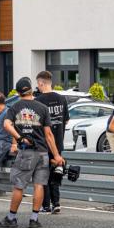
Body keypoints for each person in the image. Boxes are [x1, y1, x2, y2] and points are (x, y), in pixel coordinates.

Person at [0, 77, 65, 228]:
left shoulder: (14, 107)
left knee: (19, 186)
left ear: (19, 92)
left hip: (26, 152)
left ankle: (11, 218)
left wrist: (20, 138)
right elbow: (49, 135)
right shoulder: (42, 108)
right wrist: (57, 155)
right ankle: (34, 219)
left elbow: (6, 124)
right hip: (42, 153)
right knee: (39, 185)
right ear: (31, 90)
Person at [34, 71, 69, 214]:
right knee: (56, 173)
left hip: (44, 143)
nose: (38, 86)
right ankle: (57, 203)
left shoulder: (38, 101)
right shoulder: (62, 99)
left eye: (38, 84)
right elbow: (66, 120)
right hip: (58, 143)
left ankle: (46, 205)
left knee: (43, 175)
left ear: (41, 83)